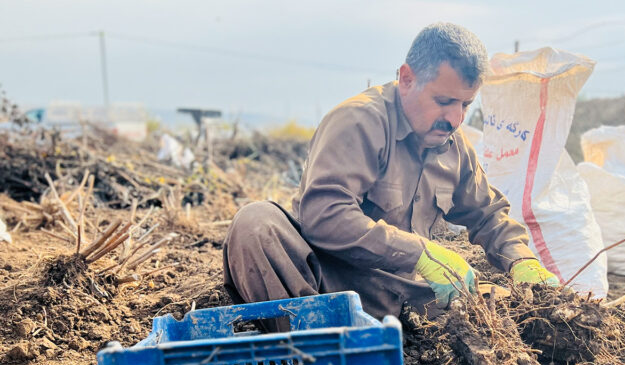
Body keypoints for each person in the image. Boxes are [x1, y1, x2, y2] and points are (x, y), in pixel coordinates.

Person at [223, 22, 557, 322]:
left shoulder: (454, 145)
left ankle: (391, 338)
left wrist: (520, 260)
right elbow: (324, 216)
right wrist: (419, 252)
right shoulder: (359, 122)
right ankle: (312, 345)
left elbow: (489, 215)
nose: (455, 119)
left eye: (466, 105)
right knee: (255, 223)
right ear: (407, 79)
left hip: (404, 299)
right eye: (444, 101)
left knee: (505, 311)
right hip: (327, 285)